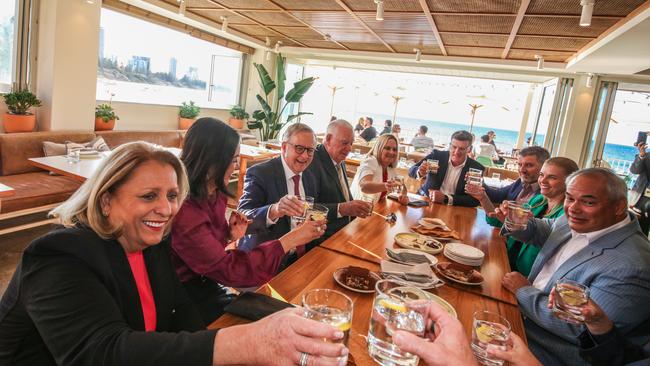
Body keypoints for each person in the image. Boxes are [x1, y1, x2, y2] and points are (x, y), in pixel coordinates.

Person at [0, 141, 347, 365]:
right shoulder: (58, 255)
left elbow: (178, 312)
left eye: (171, 195)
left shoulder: (150, 245)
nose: (166, 209)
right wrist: (252, 343)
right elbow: (101, 352)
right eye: (149, 196)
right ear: (106, 200)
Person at [171, 118, 326, 323]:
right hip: (184, 297)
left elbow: (208, 249)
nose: (236, 167)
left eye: (311, 150)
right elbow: (228, 270)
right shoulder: (185, 210)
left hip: (212, 281)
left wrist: (228, 235)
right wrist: (290, 240)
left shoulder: (215, 193)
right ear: (212, 161)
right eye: (234, 160)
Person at [499, 168, 650, 366]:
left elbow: (580, 328)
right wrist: (515, 221)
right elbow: (543, 229)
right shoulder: (579, 218)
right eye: (569, 198)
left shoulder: (631, 266)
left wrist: (523, 291)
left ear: (619, 206)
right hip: (516, 315)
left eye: (588, 202)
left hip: (542, 351)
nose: (573, 208)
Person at [471, 157, 578, 276]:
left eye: (552, 177)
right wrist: (487, 201)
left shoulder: (566, 215)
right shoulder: (538, 200)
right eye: (542, 175)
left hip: (528, 277)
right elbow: (500, 223)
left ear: (570, 183)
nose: (543, 181)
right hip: (506, 261)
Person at [238, 123, 324, 260]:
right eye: (299, 148)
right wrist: (275, 210)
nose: (305, 156)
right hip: (265, 260)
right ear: (284, 147)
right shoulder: (260, 173)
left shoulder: (310, 176)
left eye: (310, 150)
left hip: (300, 257)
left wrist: (314, 225)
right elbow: (241, 220)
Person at [306, 119, 373, 239]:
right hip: (324, 238)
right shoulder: (311, 162)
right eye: (344, 143)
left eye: (351, 143)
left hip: (345, 231)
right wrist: (342, 209)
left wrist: (356, 209)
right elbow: (308, 208)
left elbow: (344, 196)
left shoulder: (338, 159)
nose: (349, 148)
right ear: (327, 139)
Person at [408, 130, 484, 207]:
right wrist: (420, 172)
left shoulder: (475, 168)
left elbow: (474, 200)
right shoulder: (437, 156)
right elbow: (411, 171)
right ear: (450, 145)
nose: (456, 152)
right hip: (426, 200)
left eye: (461, 149)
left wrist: (446, 198)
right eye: (454, 147)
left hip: (454, 208)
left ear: (469, 149)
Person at [476, 146, 549, 216]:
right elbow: (496, 195)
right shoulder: (520, 183)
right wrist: (480, 182)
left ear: (544, 166)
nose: (522, 170)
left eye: (529, 165)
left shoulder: (547, 193)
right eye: (520, 165)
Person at [350, 134, 409, 205]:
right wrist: (386, 186)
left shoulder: (389, 168)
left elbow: (402, 185)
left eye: (394, 149)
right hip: (357, 210)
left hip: (374, 209)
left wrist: (403, 196)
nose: (391, 152)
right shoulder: (370, 161)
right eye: (387, 148)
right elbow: (364, 186)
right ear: (379, 148)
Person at [629, 137, 650, 236]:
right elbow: (634, 170)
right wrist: (641, 155)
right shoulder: (646, 156)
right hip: (640, 196)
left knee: (644, 229)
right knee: (634, 226)